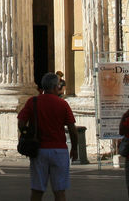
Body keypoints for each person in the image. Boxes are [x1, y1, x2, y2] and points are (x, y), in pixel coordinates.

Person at [18, 72, 80, 201]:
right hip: (59, 151)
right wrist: (74, 148)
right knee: (60, 192)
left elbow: (21, 122)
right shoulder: (63, 104)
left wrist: (28, 133)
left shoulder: (33, 102)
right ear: (55, 87)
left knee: (37, 191)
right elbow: (72, 130)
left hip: (39, 150)